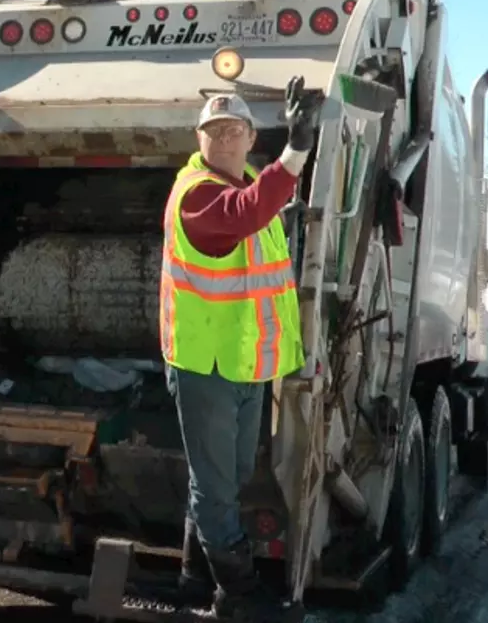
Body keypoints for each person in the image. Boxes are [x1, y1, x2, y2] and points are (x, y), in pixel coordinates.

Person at [160, 76, 320, 621]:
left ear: (251, 139)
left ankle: (190, 578)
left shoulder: (247, 181)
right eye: (214, 130)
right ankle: (240, 595)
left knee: (220, 479)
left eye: (234, 130)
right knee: (216, 485)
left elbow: (263, 206)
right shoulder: (197, 194)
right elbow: (244, 213)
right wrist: (297, 151)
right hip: (205, 364)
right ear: (199, 139)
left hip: (243, 362)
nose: (224, 138)